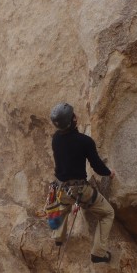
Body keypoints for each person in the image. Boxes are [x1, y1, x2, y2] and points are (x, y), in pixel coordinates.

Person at [50, 102, 115, 264]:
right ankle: (98, 252)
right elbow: (97, 166)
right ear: (72, 121)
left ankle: (58, 236)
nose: (76, 116)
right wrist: (109, 173)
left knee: (63, 206)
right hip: (80, 190)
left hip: (62, 188)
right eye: (73, 115)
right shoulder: (84, 141)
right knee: (107, 213)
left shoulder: (56, 139)